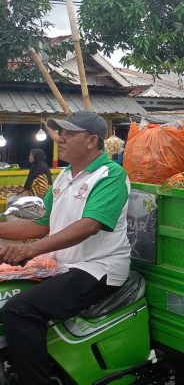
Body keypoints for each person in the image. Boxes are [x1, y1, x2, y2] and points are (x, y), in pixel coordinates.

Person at [0, 111, 131, 385]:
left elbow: (89, 225)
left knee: (18, 309)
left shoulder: (111, 175)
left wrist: (30, 250)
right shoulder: (64, 176)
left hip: (97, 269)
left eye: (70, 134)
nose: (61, 138)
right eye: (62, 132)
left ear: (92, 140)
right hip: (62, 265)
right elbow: (41, 224)